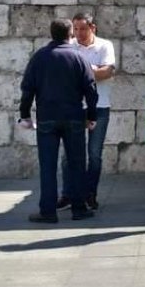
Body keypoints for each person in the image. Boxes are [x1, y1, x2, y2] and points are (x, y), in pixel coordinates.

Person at [18, 18, 98, 224]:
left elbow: (27, 88)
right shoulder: (79, 58)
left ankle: (48, 210)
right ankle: (79, 208)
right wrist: (91, 116)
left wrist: (25, 114)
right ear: (70, 34)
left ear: (51, 34)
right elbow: (91, 90)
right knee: (77, 164)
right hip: (74, 117)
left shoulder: (39, 57)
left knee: (48, 166)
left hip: (47, 118)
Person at [55, 12, 115, 211]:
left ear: (92, 28)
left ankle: (90, 193)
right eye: (76, 29)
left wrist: (80, 73)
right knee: (67, 155)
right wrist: (92, 71)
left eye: (82, 29)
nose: (78, 33)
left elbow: (107, 72)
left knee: (95, 154)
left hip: (100, 106)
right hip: (75, 107)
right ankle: (68, 194)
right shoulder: (69, 46)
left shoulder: (105, 45)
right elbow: (63, 75)